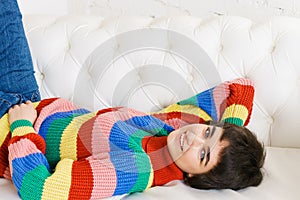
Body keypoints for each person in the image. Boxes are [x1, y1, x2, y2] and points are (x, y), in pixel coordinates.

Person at [0, 1, 265, 199]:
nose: (194, 138)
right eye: (208, 132)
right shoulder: (174, 128)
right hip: (26, 100)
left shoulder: (134, 169)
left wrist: (22, 128)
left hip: (6, 130)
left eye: (204, 154)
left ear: (197, 177)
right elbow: (240, 88)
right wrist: (228, 131)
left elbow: (38, 188)